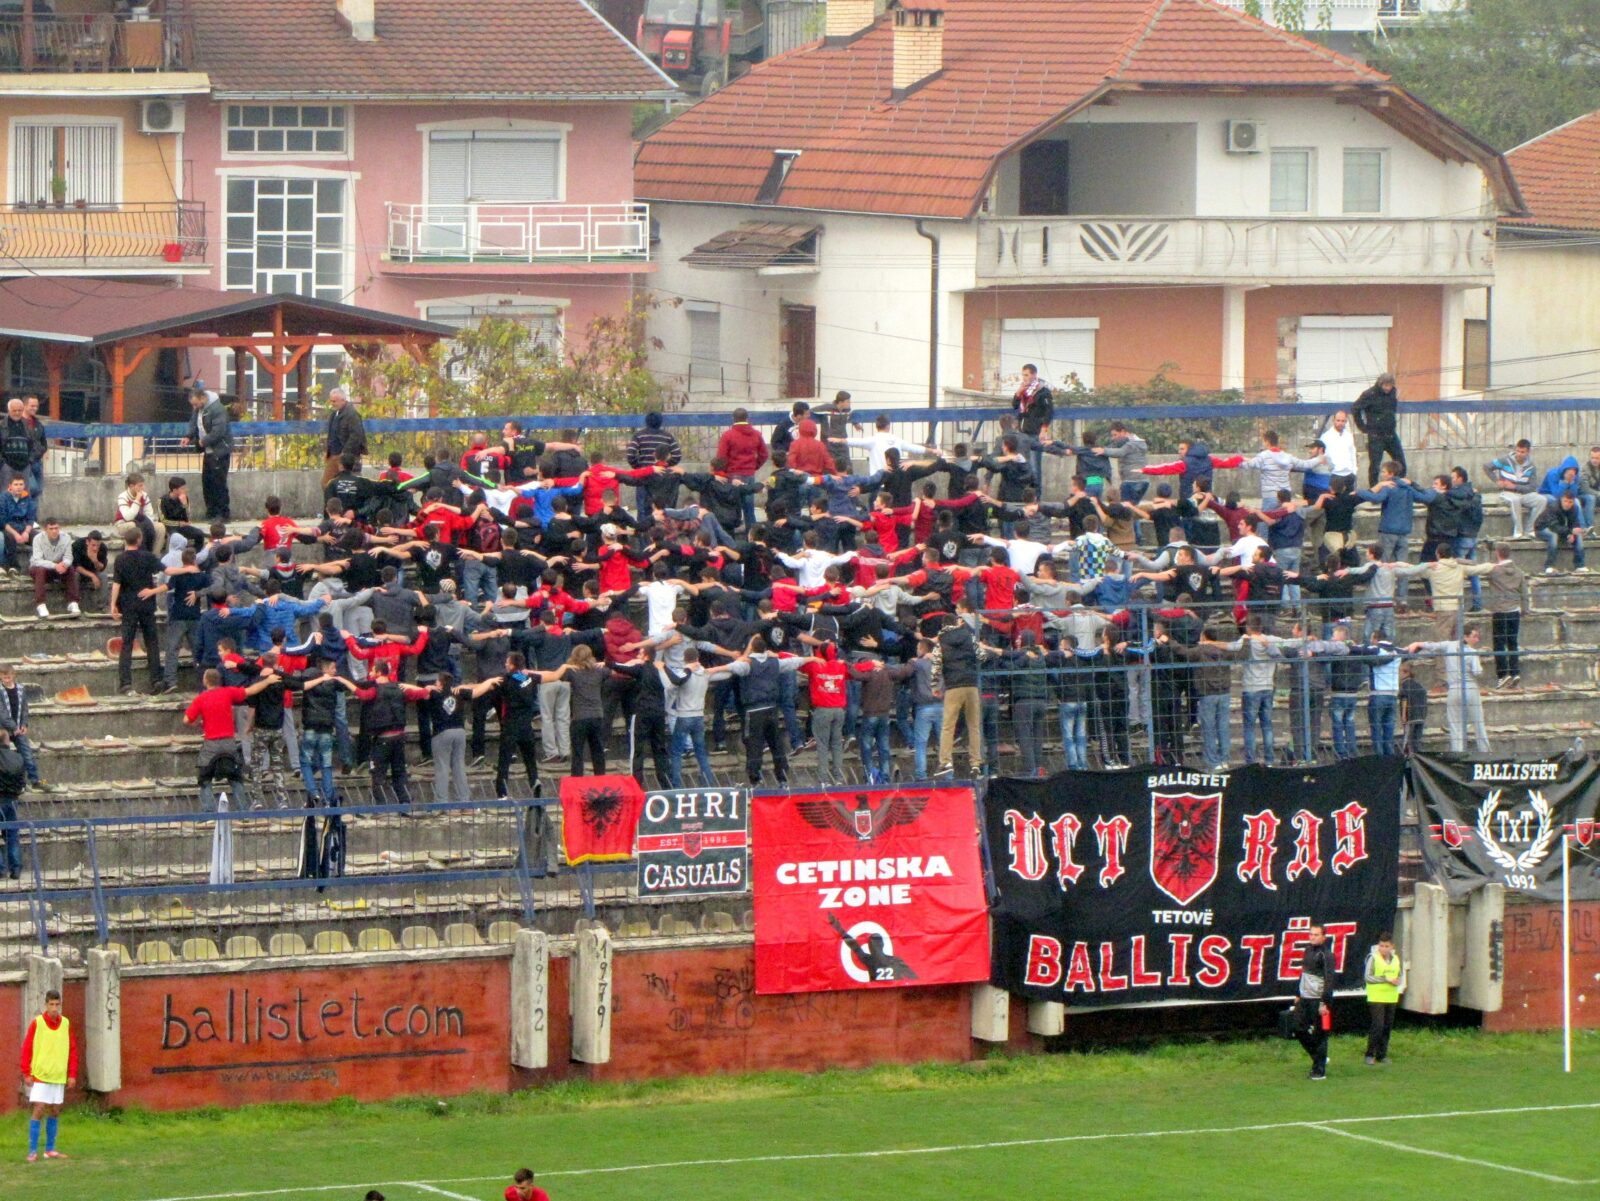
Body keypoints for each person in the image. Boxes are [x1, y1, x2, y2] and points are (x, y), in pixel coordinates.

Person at [1407, 627, 1490, 753]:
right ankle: (1485, 751)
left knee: (1455, 723)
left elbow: (1434, 646)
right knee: (1478, 721)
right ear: (1465, 636)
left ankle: (1458, 752)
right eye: (1474, 636)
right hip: (1470, 687)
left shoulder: (1449, 645)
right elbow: (1477, 672)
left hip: (1454, 688)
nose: (1477, 639)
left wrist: (1418, 643)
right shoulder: (1473, 653)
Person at [20, 987, 77, 1162]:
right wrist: (26, 1071)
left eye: (57, 1004)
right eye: (51, 1004)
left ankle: (50, 1149)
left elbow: (72, 1049)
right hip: (41, 1074)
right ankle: (32, 1151)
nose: (54, 1008)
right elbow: (27, 1047)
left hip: (58, 1075)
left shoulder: (66, 1024)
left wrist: (72, 1073)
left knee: (55, 1110)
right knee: (39, 1109)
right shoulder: (37, 1023)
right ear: (46, 1005)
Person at [110, 527, 166, 695]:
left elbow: (116, 584)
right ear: (140, 540)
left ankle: (125, 683)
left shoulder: (120, 559)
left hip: (128, 605)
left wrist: (113, 604)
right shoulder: (148, 557)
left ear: (125, 541)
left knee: (126, 644)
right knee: (152, 642)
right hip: (147, 604)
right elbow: (166, 570)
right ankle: (156, 679)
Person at [1294, 924, 1334, 1080]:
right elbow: (1303, 973)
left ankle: (1319, 1071)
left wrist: (1324, 1003)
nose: (1312, 937)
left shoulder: (1327, 955)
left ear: (1324, 937)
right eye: (1311, 934)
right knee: (1298, 1028)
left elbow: (1329, 980)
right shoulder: (1308, 950)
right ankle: (1319, 1057)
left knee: (1320, 1035)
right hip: (1304, 997)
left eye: (1316, 934)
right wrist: (1297, 993)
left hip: (1319, 999)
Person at [1484, 440, 1546, 540]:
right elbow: (1487, 466)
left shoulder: (1531, 466)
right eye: (1518, 451)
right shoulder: (1505, 460)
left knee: (1542, 500)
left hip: (1524, 493)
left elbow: (1532, 487)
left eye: (1522, 452)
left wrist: (1515, 487)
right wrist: (1497, 481)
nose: (1519, 454)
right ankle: (1518, 531)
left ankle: (1529, 529)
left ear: (1528, 452)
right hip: (1507, 493)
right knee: (1515, 500)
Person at [188, 387, 233, 520]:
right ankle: (211, 512)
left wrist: (203, 441)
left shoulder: (218, 409)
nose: (195, 407)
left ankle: (222, 514)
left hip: (219, 451)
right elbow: (193, 423)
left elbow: (218, 431)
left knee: (218, 483)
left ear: (203, 398)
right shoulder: (200, 409)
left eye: (196, 404)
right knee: (207, 483)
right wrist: (188, 436)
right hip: (209, 451)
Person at [1352, 371, 1404, 486]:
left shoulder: (1393, 392)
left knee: (1401, 463)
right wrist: (1363, 427)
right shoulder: (1369, 394)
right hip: (1376, 436)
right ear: (1380, 384)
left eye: (1390, 385)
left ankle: (1399, 488)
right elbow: (1355, 409)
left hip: (1390, 434)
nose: (1388, 388)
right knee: (1375, 466)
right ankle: (1374, 490)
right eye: (1385, 385)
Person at [1485, 542, 1525, 689]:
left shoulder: (1495, 571)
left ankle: (1503, 675)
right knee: (1513, 642)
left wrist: (1458, 560)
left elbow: (1477, 567)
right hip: (1514, 611)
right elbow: (1524, 592)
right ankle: (1515, 672)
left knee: (1499, 644)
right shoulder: (1519, 571)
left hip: (1499, 611)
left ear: (1497, 553)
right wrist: (1525, 610)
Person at [1364, 931, 1405, 1066]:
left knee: (1387, 1027)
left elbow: (1399, 975)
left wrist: (1397, 981)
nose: (1383, 949)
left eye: (1386, 946)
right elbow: (1367, 977)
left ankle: (1382, 1055)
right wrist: (1385, 979)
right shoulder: (1373, 958)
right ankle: (1369, 1054)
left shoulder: (1396, 959)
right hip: (1376, 997)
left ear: (1392, 946)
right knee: (1378, 1025)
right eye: (1381, 946)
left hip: (1391, 997)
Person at [29, 516, 78, 617]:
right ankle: (41, 604)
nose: (54, 531)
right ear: (45, 530)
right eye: (51, 529)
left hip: (58, 568)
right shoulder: (37, 539)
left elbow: (69, 557)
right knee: (40, 570)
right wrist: (55, 565)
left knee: (71, 569)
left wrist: (65, 564)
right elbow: (37, 560)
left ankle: (73, 602)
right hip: (40, 569)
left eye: (56, 528)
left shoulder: (66, 538)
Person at [323, 387, 367, 486]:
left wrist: (345, 453)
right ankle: (333, 502)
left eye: (335, 401)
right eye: (331, 401)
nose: (332, 403)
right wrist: (328, 452)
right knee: (326, 484)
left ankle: (342, 501)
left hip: (347, 457)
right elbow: (332, 434)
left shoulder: (352, 414)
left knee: (349, 485)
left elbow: (356, 435)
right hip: (333, 455)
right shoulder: (334, 414)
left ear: (343, 400)